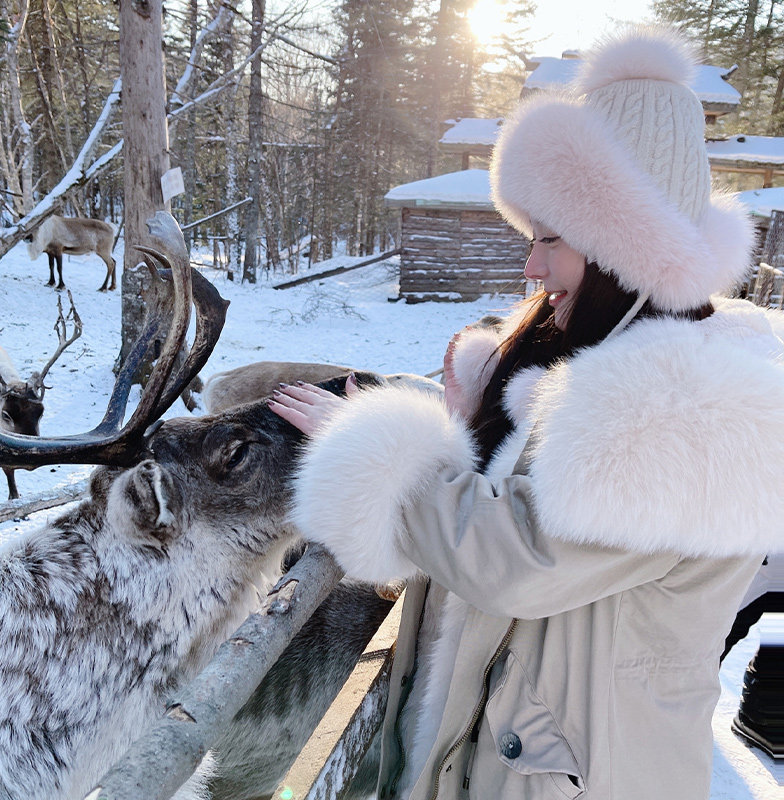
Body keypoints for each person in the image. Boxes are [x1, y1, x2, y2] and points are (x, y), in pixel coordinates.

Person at [269, 26, 784, 800]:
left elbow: (512, 560)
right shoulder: (613, 367)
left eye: (549, 239)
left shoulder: (696, 404)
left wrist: (368, 449)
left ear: (624, 245)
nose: (530, 266)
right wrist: (472, 423)